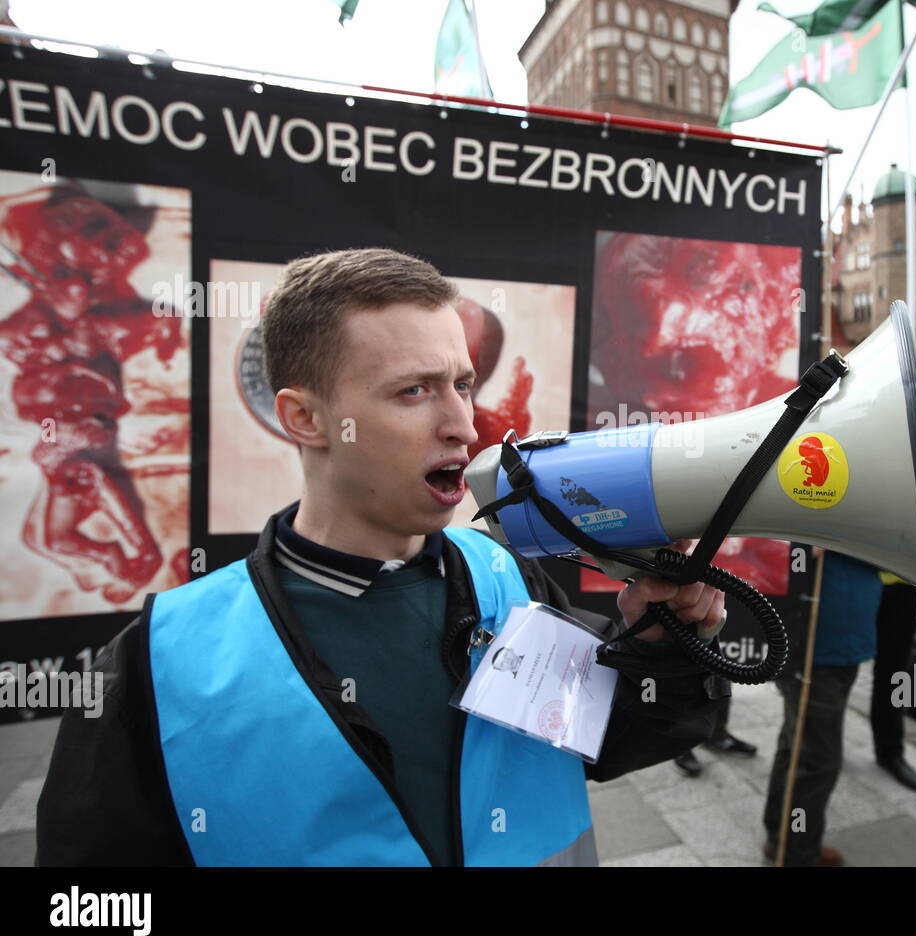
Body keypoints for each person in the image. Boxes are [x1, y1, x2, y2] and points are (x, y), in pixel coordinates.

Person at [35, 248, 728, 866]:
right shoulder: (155, 664)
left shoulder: (508, 578)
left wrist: (664, 644)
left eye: (462, 384)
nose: (464, 425)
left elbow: (619, 736)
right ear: (305, 419)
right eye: (414, 391)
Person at [762, 550, 884, 866]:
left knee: (797, 744)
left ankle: (782, 837)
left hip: (843, 642)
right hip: (814, 649)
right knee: (818, 759)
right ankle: (798, 853)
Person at [871, 575, 916, 791]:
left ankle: (890, 751)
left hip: (904, 578)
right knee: (842, 667)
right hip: (857, 573)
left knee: (893, 670)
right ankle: (829, 744)